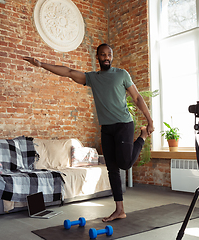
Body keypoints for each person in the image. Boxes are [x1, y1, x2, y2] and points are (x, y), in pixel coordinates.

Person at [23, 43, 154, 222]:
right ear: (97, 57)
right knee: (112, 170)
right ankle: (119, 210)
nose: (106, 57)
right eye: (102, 55)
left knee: (125, 163)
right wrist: (41, 64)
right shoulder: (92, 78)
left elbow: (137, 97)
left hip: (124, 124)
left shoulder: (122, 74)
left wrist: (150, 120)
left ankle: (143, 136)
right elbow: (68, 72)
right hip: (106, 128)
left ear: (112, 57)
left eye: (109, 54)